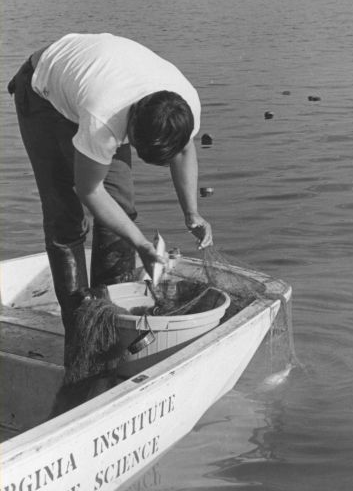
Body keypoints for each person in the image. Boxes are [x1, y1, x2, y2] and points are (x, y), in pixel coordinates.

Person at [8, 32, 212, 362]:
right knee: (67, 221)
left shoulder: (183, 102)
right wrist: (143, 245)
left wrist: (193, 213)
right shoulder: (104, 118)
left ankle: (114, 325)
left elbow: (184, 148)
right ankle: (84, 341)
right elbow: (89, 191)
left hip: (94, 81)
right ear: (130, 129)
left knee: (121, 206)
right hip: (42, 95)